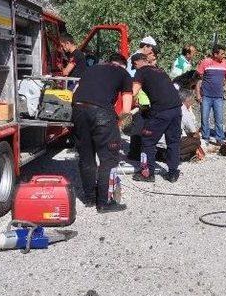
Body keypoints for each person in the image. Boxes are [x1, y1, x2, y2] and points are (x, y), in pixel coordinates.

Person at [71, 52, 132, 213]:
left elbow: (75, 91)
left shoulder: (91, 69)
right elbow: (126, 106)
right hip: (101, 113)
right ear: (122, 65)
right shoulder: (123, 73)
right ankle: (104, 202)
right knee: (109, 158)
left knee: (86, 155)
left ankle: (90, 198)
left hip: (77, 109)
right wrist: (121, 125)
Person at [131, 53, 183, 182]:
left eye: (134, 65)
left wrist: (133, 103)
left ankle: (147, 173)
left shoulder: (141, 71)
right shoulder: (159, 70)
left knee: (147, 140)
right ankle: (173, 172)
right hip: (176, 108)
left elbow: (134, 91)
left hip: (161, 110)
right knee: (173, 141)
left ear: (137, 62)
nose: (135, 68)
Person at [195, 44, 226, 144]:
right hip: (206, 96)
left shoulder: (225, 63)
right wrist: (198, 94)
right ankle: (205, 138)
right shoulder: (205, 62)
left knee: (219, 119)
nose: (224, 56)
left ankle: (219, 138)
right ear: (215, 54)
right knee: (204, 118)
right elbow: (198, 79)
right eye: (222, 54)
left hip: (218, 97)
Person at [179, 89, 203, 161]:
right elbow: (193, 131)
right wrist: (198, 137)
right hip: (173, 140)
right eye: (192, 99)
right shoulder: (184, 111)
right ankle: (177, 155)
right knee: (196, 142)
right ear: (187, 99)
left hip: (160, 141)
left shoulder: (173, 106)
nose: (192, 102)